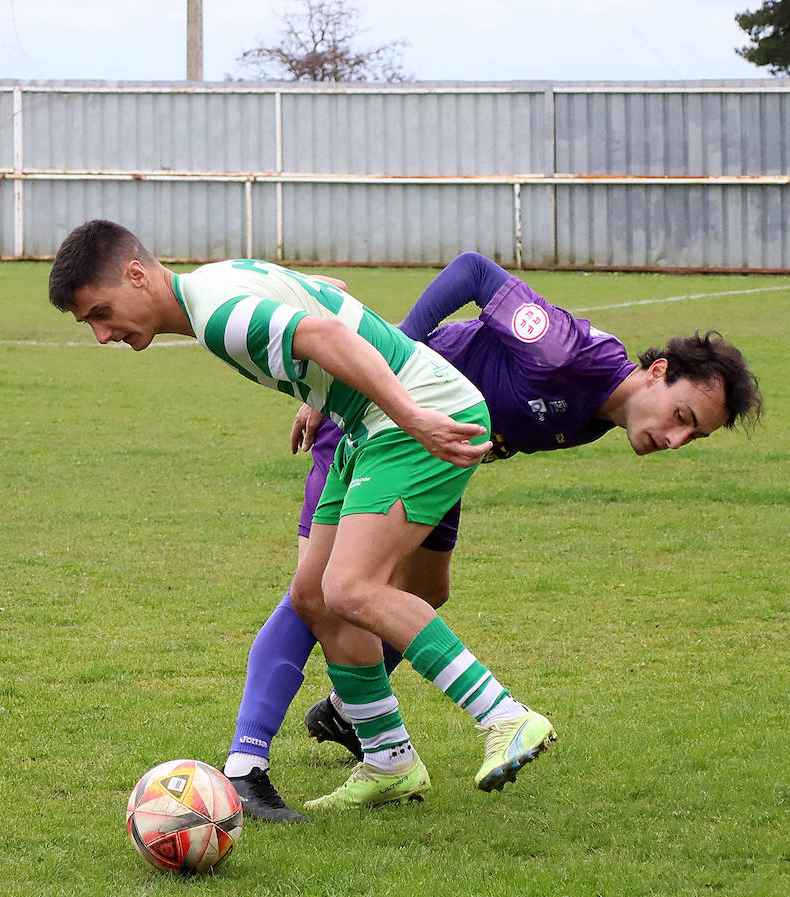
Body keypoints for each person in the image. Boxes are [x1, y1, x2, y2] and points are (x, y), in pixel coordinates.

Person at [223, 251, 764, 822]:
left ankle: (353, 714)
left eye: (694, 436)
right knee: (322, 595)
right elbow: (475, 270)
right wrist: (378, 359)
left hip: (440, 455)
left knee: (425, 590)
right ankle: (248, 762)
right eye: (681, 416)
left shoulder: (605, 409)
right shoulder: (563, 351)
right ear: (657, 372)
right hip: (386, 424)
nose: (677, 440)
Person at [48, 221, 558, 815]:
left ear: (136, 275)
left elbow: (319, 330)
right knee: (315, 595)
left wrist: (411, 415)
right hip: (366, 423)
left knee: (352, 587)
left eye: (101, 313)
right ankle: (390, 762)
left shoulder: (218, 319)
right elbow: (321, 289)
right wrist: (319, 395)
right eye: (91, 324)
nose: (103, 334)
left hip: (410, 417)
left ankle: (507, 717)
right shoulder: (211, 282)